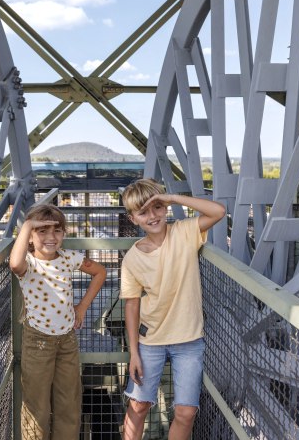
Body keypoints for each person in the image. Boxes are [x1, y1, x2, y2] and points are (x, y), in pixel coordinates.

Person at [120, 179, 226, 440]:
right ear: (134, 219)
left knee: (186, 413)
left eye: (157, 207)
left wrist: (174, 198)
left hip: (189, 341)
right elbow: (132, 305)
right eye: (143, 212)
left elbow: (218, 212)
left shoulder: (185, 232)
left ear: (165, 208)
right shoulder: (132, 259)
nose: (152, 216)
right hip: (150, 342)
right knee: (138, 405)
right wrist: (134, 352)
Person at [9, 204, 106, 440]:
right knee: (37, 405)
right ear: (30, 236)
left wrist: (82, 306)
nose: (51, 237)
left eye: (57, 231)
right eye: (42, 231)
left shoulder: (68, 257)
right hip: (38, 341)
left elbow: (100, 272)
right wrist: (29, 225)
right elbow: (14, 264)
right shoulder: (29, 264)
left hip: (67, 341)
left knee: (69, 402)